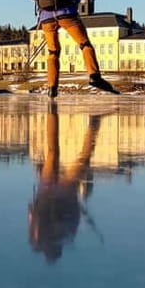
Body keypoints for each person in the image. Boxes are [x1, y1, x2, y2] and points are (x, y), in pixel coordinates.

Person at [29, 0, 117, 98]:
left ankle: (52, 88)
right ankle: (94, 76)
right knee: (84, 44)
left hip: (46, 17)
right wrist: (75, 0)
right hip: (66, 13)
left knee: (53, 52)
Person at [28, 105, 103, 263]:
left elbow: (33, 213)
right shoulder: (59, 233)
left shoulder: (59, 234)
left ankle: (93, 123)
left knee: (67, 156)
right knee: (55, 153)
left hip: (57, 191)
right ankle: (92, 123)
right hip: (56, 191)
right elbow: (33, 212)